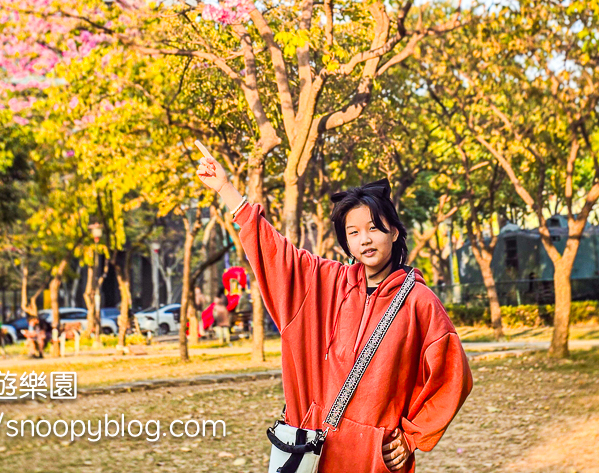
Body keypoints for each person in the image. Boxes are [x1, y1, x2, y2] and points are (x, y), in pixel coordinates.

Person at [197, 157, 472, 473]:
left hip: (371, 458)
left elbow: (453, 374)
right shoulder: (325, 282)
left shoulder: (419, 302)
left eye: (373, 228)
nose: (364, 239)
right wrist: (226, 188)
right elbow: (276, 253)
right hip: (313, 451)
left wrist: (413, 436)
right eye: (353, 232)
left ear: (394, 232)